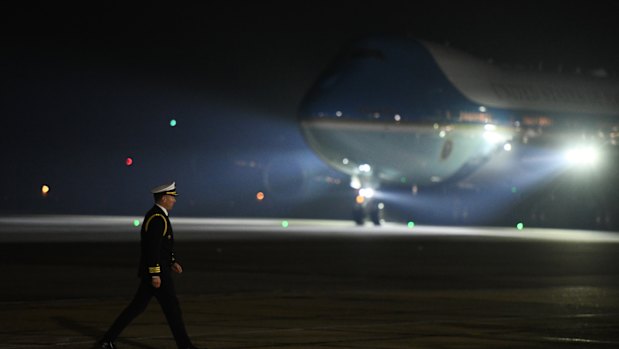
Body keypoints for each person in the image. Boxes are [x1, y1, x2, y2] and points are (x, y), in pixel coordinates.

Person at [99, 182, 203, 349]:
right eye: (172, 197)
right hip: (158, 274)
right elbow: (152, 248)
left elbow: (162, 246)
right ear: (164, 198)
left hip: (158, 271)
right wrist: (155, 273)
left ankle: (107, 340)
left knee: (136, 308)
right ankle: (186, 347)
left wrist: (172, 261)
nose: (174, 201)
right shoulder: (157, 218)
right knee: (172, 310)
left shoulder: (159, 216)